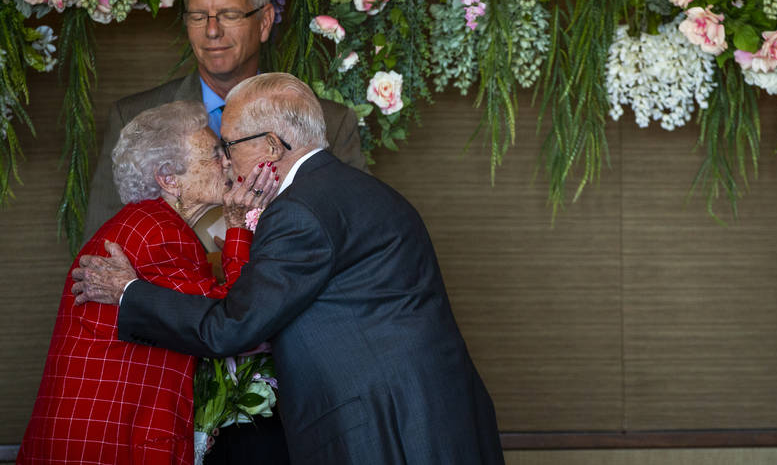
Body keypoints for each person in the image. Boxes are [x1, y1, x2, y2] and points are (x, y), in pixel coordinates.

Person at [72, 73, 505, 465]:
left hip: (385, 424)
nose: (225, 161)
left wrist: (129, 292)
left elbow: (233, 328)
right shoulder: (347, 188)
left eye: (229, 146)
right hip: (426, 413)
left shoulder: (300, 210)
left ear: (272, 147)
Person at [18, 101, 279, 464]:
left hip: (90, 434)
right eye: (213, 155)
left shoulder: (144, 223)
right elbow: (235, 322)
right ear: (168, 178)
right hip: (106, 441)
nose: (228, 163)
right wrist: (238, 227)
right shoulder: (157, 233)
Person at [84, 0, 367, 241]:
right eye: (197, 16)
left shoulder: (332, 123)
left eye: (229, 14)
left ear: (264, 22)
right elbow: (99, 251)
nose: (212, 31)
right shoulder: (133, 117)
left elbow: (359, 236)